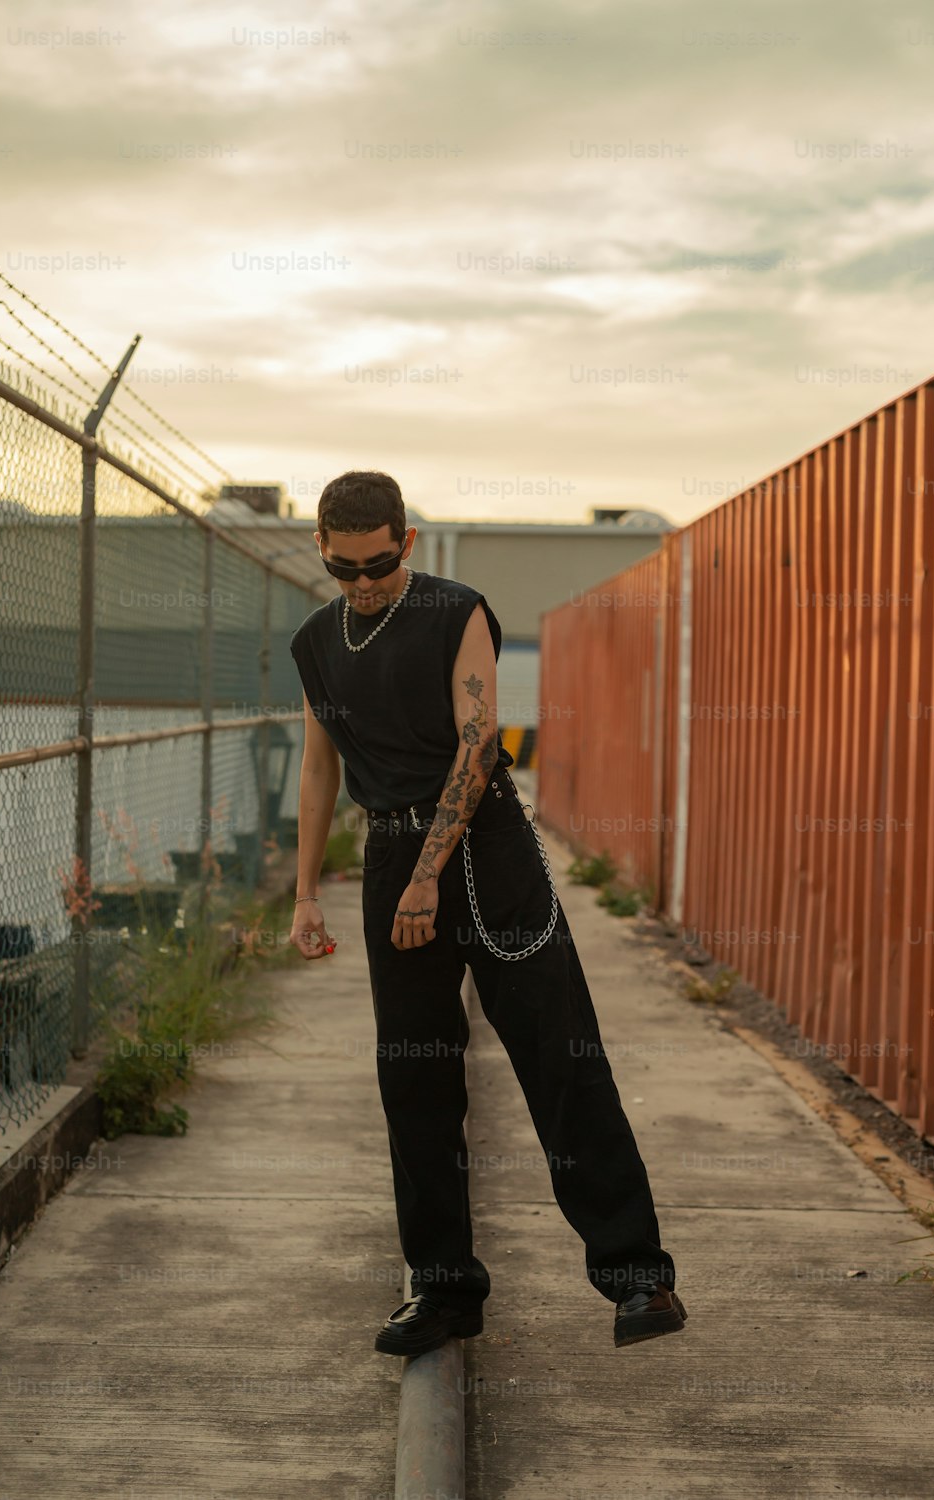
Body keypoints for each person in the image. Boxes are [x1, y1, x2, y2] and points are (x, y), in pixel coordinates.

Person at [288, 470, 686, 1356]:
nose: (364, 583)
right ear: (321, 549)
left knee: (561, 1056)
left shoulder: (453, 609)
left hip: (484, 849)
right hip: (393, 855)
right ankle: (443, 1292)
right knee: (415, 1082)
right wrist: (308, 890)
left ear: (408, 542)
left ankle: (637, 1279)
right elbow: (319, 769)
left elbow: (479, 743)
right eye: (345, 568)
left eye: (380, 563)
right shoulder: (316, 642)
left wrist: (433, 873)